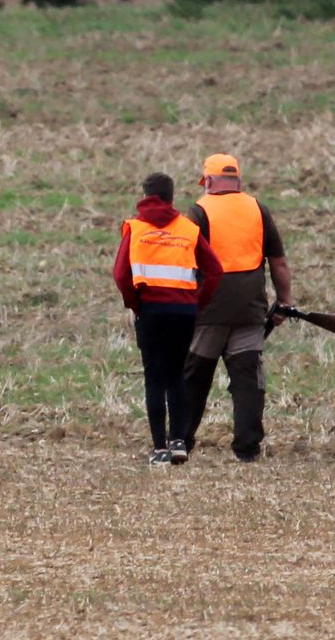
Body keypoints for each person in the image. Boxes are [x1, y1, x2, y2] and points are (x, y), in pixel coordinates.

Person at [182, 153, 292, 462]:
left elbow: (185, 260)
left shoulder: (198, 211)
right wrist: (284, 302)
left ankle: (181, 441)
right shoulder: (258, 208)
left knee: (195, 378)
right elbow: (279, 262)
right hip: (250, 310)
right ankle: (247, 448)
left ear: (211, 181)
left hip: (208, 313)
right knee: (247, 381)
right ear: (239, 181)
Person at [113, 172, 221, 465]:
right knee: (177, 377)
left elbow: (121, 275)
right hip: (184, 312)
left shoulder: (134, 228)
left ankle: (159, 447)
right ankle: (178, 443)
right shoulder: (188, 228)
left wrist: (135, 304)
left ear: (145, 195)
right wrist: (197, 301)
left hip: (150, 311)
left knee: (154, 378)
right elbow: (215, 270)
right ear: (172, 197)